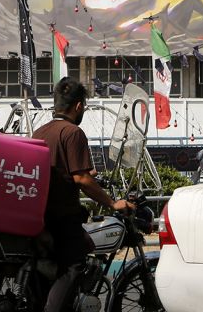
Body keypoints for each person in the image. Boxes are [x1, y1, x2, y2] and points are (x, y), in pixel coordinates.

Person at [33, 77, 133, 312]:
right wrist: (112, 203)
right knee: (75, 265)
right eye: (84, 106)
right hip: (61, 215)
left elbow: (66, 170)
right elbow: (81, 179)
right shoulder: (73, 133)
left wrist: (85, 174)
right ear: (78, 106)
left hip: (40, 214)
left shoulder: (40, 131)